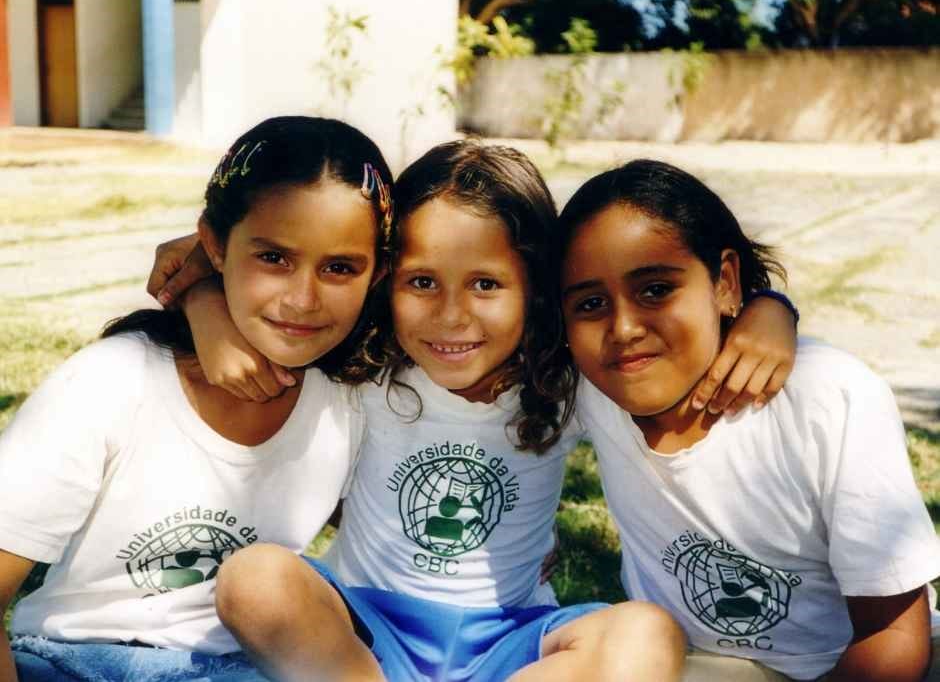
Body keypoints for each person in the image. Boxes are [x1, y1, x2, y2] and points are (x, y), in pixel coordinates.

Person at [160, 141, 800, 682]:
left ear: (536, 287)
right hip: (364, 634)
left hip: (514, 642)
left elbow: (697, 308)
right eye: (422, 282)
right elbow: (223, 259)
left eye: (487, 284)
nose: (451, 316)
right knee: (254, 578)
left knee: (647, 633)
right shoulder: (365, 366)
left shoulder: (567, 381)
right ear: (386, 280)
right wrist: (203, 304)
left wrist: (769, 308)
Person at [0, 116, 394, 682]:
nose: (303, 298)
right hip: (75, 662)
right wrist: (202, 292)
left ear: (376, 274)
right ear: (214, 244)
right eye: (274, 258)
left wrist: (205, 288)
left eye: (339, 267)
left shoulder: (357, 397)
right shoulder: (113, 382)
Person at [559, 159, 940, 682]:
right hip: (700, 665)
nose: (623, 328)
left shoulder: (828, 396)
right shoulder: (593, 389)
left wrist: (770, 304)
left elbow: (894, 637)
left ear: (725, 281)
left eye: (655, 290)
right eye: (592, 303)